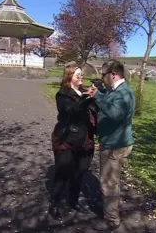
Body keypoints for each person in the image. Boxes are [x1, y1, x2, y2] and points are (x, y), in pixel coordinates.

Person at [86, 59, 136, 231]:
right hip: (115, 142)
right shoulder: (115, 90)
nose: (101, 77)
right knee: (112, 180)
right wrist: (99, 93)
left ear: (113, 75)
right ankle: (112, 211)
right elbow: (109, 103)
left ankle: (112, 220)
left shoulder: (124, 93)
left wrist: (98, 96)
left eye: (103, 74)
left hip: (115, 145)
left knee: (108, 183)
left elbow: (115, 114)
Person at [49, 61, 98, 220]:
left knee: (80, 171)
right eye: (78, 75)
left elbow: (94, 113)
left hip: (86, 139)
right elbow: (71, 111)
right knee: (63, 172)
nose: (81, 77)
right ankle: (54, 203)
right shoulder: (63, 94)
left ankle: (73, 200)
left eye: (81, 74)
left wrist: (95, 97)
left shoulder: (84, 92)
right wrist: (88, 99)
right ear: (69, 77)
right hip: (67, 139)